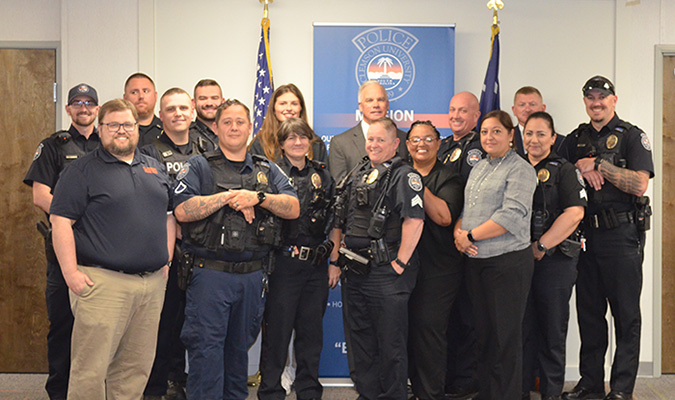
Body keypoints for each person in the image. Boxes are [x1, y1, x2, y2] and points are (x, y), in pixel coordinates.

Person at [172, 99, 300, 400]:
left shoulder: (265, 169)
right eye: (226, 122)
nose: (233, 127)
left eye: (240, 122)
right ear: (216, 127)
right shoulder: (198, 166)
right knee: (206, 353)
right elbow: (182, 210)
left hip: (252, 277)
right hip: (209, 277)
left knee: (238, 355)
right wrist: (228, 197)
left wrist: (257, 196)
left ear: (250, 127)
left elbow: (293, 207)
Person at [49, 98, 174, 400]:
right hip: (102, 284)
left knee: (135, 368)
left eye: (128, 124)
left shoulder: (154, 168)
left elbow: (169, 216)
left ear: (137, 128)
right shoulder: (81, 171)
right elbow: (60, 221)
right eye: (113, 124)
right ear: (101, 129)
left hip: (151, 285)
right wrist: (70, 273)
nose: (121, 130)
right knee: (90, 371)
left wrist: (166, 260)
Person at [560, 76, 654, 400]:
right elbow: (558, 174)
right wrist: (580, 168)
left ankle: (622, 388)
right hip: (585, 237)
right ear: (584, 101)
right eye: (590, 98)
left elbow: (640, 184)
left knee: (626, 315)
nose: (596, 103)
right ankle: (590, 383)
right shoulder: (574, 138)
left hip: (622, 237)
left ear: (614, 100)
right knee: (589, 313)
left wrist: (599, 164)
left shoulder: (631, 136)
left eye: (602, 97)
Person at [329, 117, 424, 400]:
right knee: (360, 341)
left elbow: (414, 221)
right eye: (370, 139)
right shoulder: (359, 171)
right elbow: (340, 219)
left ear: (395, 144)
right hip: (355, 270)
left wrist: (400, 263)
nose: (373, 145)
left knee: (390, 344)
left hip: (387, 272)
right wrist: (335, 260)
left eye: (381, 140)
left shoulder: (404, 174)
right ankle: (368, 394)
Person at [23, 83, 100, 400]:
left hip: (101, 252)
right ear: (68, 109)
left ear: (97, 109)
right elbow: (40, 195)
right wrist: (74, 216)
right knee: (62, 327)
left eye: (89, 103)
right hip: (62, 253)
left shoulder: (109, 143)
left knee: (99, 329)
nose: (84, 108)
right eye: (77, 102)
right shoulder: (53, 145)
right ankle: (59, 391)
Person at [454, 110, 537, 400]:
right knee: (484, 335)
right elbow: (467, 210)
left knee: (505, 339)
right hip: (477, 263)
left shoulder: (521, 169)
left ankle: (507, 395)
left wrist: (471, 236)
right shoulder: (479, 167)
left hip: (507, 263)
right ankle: (488, 392)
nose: (489, 137)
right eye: (485, 132)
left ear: (511, 135)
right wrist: (458, 234)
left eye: (497, 131)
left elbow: (510, 216)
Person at [140, 88, 214, 400]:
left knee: (197, 322)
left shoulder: (208, 147)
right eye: (171, 109)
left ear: (194, 111)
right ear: (161, 115)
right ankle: (161, 384)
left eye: (184, 108)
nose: (178, 113)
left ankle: (190, 381)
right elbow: (149, 196)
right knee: (165, 321)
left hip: (204, 248)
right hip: (166, 247)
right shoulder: (148, 150)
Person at [257, 117, 336, 400]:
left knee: (311, 335)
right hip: (283, 264)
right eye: (291, 138)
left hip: (315, 265)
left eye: (303, 137)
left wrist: (334, 260)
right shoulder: (270, 175)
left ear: (310, 142)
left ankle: (309, 391)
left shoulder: (323, 175)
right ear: (280, 144)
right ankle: (270, 392)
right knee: (277, 334)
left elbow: (334, 219)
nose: (298, 142)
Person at [520, 112, 587, 400]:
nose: (534, 140)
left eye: (540, 134)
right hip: (517, 261)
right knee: (521, 329)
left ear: (552, 137)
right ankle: (519, 391)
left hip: (555, 260)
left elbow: (574, 213)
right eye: (529, 133)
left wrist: (542, 246)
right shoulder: (514, 166)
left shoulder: (565, 169)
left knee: (551, 330)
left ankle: (550, 393)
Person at [405, 121, 464, 400]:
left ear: (439, 144)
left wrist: (416, 183)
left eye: (428, 139)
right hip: (403, 268)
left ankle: (430, 394)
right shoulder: (397, 174)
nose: (421, 144)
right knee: (405, 331)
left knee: (430, 332)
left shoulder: (449, 177)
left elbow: (443, 216)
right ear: (406, 145)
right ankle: (413, 389)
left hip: (439, 269)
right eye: (415, 139)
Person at [437, 91, 484, 399]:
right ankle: (447, 377)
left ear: (476, 115)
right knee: (446, 315)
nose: (455, 115)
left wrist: (461, 231)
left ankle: (465, 380)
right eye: (452, 109)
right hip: (439, 246)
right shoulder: (442, 146)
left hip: (467, 241)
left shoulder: (479, 148)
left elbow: (475, 197)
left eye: (463, 111)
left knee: (468, 315)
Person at [328, 80, 409, 182]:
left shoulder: (404, 139)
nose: (376, 105)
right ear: (360, 106)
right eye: (369, 100)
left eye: (380, 100)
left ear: (387, 105)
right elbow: (339, 186)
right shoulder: (340, 143)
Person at [249, 83, 328, 164]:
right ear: (273, 109)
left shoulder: (315, 143)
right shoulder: (261, 143)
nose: (289, 108)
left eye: (294, 104)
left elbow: (324, 175)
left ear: (301, 108)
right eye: (283, 103)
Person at [511, 86, 564, 156]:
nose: (527, 109)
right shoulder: (505, 139)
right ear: (514, 110)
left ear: (543, 108)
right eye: (522, 105)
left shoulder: (561, 142)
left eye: (532, 104)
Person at [124, 72, 162, 147]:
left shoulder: (168, 130)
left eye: (146, 91)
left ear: (155, 96)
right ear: (125, 98)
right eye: (134, 92)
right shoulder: (119, 132)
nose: (141, 96)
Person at [190, 78, 224, 147]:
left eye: (214, 98)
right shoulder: (185, 136)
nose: (209, 103)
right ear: (193, 103)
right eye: (203, 98)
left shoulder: (231, 132)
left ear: (222, 102)